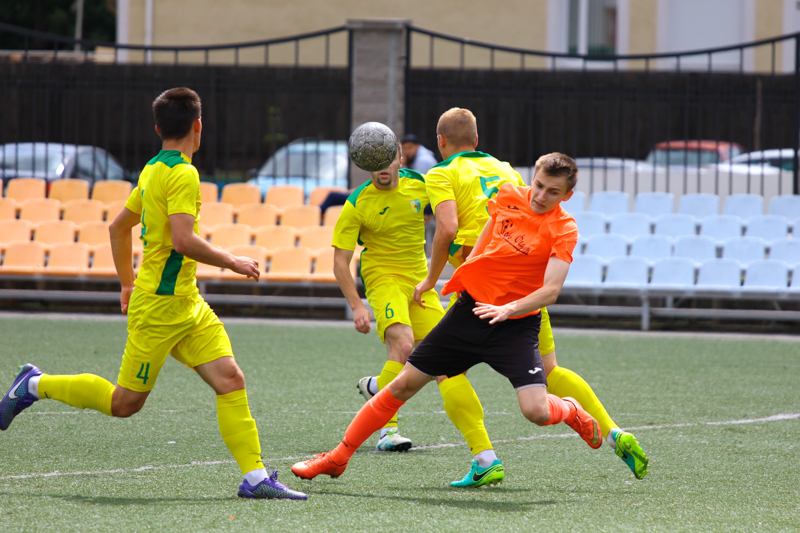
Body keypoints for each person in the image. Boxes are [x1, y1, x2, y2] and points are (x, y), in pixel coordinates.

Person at [0, 87, 307, 500]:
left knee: (230, 379)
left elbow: (118, 227)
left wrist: (127, 282)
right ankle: (35, 384)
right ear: (199, 126)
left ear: (158, 128)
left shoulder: (151, 169)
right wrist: (232, 261)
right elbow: (183, 240)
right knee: (124, 403)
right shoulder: (182, 174)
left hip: (187, 303)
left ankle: (254, 478)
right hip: (159, 308)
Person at [291, 153, 604, 484]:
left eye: (553, 192)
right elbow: (490, 228)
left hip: (515, 325)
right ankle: (337, 458)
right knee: (402, 385)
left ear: (567, 195)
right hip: (468, 313)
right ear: (533, 178)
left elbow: (551, 291)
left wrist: (508, 309)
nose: (541, 196)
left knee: (536, 411)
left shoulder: (564, 228)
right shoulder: (510, 194)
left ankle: (571, 410)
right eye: (538, 185)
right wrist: (468, 271)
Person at [415, 108, 648, 480]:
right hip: (526, 285)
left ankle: (484, 459)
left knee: (446, 369)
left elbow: (447, 228)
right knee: (550, 370)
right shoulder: (505, 169)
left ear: (440, 142)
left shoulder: (441, 173)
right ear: (477, 141)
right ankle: (613, 431)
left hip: (481, 289)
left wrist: (431, 279)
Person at [333, 142, 497, 479]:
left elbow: (453, 216)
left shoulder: (421, 184)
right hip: (383, 278)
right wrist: (356, 305)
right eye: (374, 161)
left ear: (400, 158)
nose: (382, 166)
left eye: (387, 158)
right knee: (404, 346)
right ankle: (387, 431)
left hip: (419, 280)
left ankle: (484, 457)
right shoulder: (357, 203)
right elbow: (339, 260)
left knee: (450, 362)